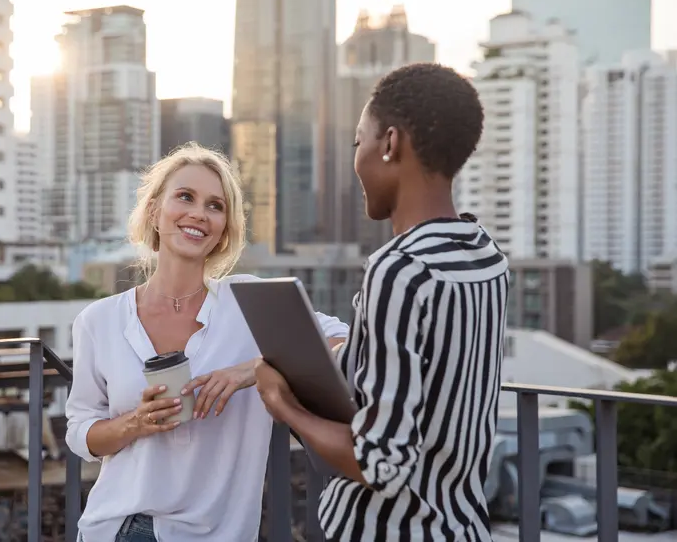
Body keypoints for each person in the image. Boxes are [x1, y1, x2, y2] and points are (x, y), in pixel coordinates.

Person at [255, 63, 510, 541]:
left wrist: (283, 404)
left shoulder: (400, 268)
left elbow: (380, 464)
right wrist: (338, 358)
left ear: (390, 144)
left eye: (359, 143)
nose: (357, 160)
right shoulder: (485, 255)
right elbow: (435, 374)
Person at [65, 143, 349, 542]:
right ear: (154, 211)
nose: (199, 213)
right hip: (114, 528)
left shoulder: (250, 303)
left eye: (215, 206)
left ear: (223, 230)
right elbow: (80, 432)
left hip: (216, 534)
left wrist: (254, 368)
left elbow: (347, 341)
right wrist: (136, 423)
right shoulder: (99, 320)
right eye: (185, 197)